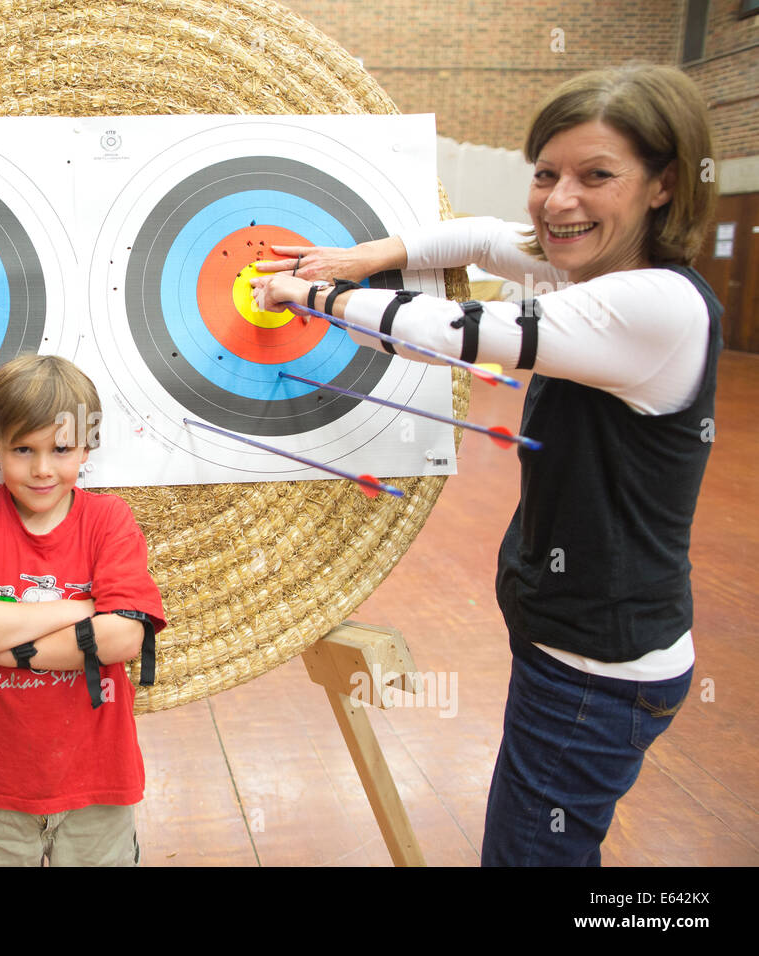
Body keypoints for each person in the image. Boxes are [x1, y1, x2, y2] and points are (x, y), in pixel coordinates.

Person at [250, 65, 720, 866]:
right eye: (545, 174)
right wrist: (369, 256)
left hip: (597, 666)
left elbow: (463, 331)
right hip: (572, 648)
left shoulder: (656, 304)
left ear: (664, 185)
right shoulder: (589, 270)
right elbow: (478, 237)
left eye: (596, 176)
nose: (559, 200)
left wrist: (310, 298)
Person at [0, 354, 166, 866]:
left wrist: (8, 646)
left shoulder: (109, 519)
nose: (41, 469)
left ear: (85, 447)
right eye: (22, 449)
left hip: (98, 781)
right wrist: (81, 609)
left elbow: (124, 638)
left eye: (60, 449)